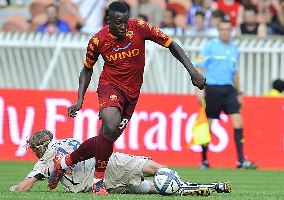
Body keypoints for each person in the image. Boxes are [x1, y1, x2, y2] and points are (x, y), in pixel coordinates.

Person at [48, 1, 206, 195]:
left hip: (132, 93)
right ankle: (99, 182)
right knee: (111, 125)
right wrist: (79, 99)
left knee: (105, 138)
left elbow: (171, 44)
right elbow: (87, 69)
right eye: (118, 23)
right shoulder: (98, 40)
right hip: (110, 87)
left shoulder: (139, 27)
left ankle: (63, 162)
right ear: (108, 21)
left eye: (125, 22)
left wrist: (193, 73)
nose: (123, 27)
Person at [9, 129, 232, 196]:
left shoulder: (42, 164)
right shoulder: (67, 141)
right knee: (151, 167)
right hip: (107, 164)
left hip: (97, 184)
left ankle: (178, 188)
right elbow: (91, 145)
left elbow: (27, 185)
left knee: (148, 189)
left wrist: (16, 187)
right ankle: (184, 183)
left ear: (38, 149)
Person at [195, 19, 258, 170]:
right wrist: (200, 89)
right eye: (222, 29)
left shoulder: (234, 49)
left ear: (232, 30)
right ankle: (204, 160)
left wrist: (239, 92)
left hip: (229, 89)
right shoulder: (211, 46)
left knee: (238, 122)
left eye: (228, 29)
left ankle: (241, 160)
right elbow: (199, 67)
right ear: (219, 30)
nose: (225, 32)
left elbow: (235, 72)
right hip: (212, 88)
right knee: (208, 124)